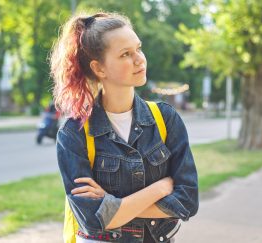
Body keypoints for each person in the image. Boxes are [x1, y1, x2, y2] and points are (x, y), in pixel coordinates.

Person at [51, 11, 198, 243]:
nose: (140, 59)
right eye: (125, 54)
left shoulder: (165, 118)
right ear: (99, 69)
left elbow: (188, 201)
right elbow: (91, 219)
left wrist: (112, 205)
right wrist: (161, 188)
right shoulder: (74, 133)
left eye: (138, 48)